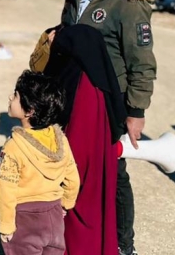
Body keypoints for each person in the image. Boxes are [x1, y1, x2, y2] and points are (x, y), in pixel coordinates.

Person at [60, 0, 156, 255]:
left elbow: (142, 63)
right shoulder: (73, 1)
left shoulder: (127, 5)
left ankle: (123, 244)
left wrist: (136, 111)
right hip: (72, 102)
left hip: (108, 107)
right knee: (73, 171)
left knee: (114, 176)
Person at [30, 24, 125, 254]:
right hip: (99, 163)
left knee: (81, 218)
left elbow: (76, 145)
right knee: (100, 213)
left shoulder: (81, 82)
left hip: (81, 169)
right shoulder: (98, 77)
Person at [0, 70, 80, 255]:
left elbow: (6, 190)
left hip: (25, 219)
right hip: (54, 214)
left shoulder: (13, 147)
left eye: (16, 95)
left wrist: (6, 225)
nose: (11, 97)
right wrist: (66, 204)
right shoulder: (60, 140)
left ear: (30, 110)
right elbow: (73, 178)